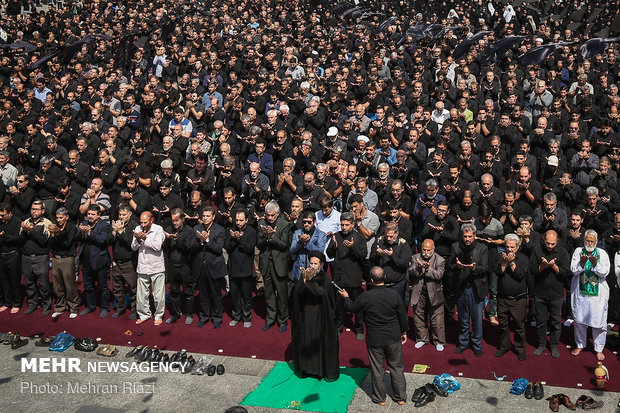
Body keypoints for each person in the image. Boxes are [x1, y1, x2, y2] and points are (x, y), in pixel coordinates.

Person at [340, 266, 408, 405]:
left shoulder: (365, 296)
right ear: (384, 278)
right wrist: (404, 331)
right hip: (393, 336)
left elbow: (352, 308)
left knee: (377, 369)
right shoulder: (394, 295)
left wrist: (346, 297)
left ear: (371, 280)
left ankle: (379, 398)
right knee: (397, 368)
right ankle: (400, 397)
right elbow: (403, 316)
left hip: (374, 338)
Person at [292, 250, 339, 381]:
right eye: (311, 263)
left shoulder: (326, 278)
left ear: (322, 264)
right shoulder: (304, 276)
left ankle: (320, 371)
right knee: (306, 340)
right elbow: (297, 293)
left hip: (320, 316)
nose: (313, 266)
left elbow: (322, 294)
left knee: (318, 342)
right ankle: (307, 369)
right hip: (306, 315)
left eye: (316, 263)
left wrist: (310, 281)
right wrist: (305, 280)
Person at [569, 230, 611, 361]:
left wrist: (595, 264)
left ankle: (598, 348)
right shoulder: (578, 251)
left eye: (592, 241)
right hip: (581, 294)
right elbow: (573, 270)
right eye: (587, 240)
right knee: (579, 320)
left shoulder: (602, 253)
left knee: (599, 322)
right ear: (584, 240)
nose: (590, 243)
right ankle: (580, 344)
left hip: (597, 296)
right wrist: (581, 264)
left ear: (597, 242)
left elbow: (605, 272)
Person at [326, 212, 367, 339]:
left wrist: (353, 247)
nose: (344, 227)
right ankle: (339, 326)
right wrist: (333, 247)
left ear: (353, 224)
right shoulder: (336, 236)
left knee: (357, 305)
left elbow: (363, 255)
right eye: (342, 224)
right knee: (338, 306)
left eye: (347, 225)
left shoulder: (359, 237)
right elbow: (330, 254)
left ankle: (359, 328)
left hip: (354, 278)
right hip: (339, 278)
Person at [449, 223, 488, 356]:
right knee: (463, 319)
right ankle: (463, 343)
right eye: (465, 236)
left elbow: (485, 268)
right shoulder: (455, 246)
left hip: (476, 289)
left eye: (470, 236)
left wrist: (474, 268)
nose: (467, 239)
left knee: (477, 320)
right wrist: (458, 267)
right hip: (461, 289)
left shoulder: (482, 248)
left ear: (475, 236)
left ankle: (477, 345)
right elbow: (450, 265)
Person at [529, 230, 570, 358]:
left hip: (556, 293)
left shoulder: (562, 252)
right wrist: (543, 266)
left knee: (556, 321)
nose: (550, 246)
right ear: (543, 240)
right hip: (540, 292)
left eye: (552, 244)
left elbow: (565, 272)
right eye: (548, 243)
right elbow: (532, 269)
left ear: (557, 242)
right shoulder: (537, 250)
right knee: (541, 321)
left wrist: (553, 267)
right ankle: (541, 344)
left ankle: (553, 345)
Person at [256, 201, 292, 332]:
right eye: (268, 215)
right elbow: (259, 244)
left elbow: (284, 245)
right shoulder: (261, 224)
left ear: (278, 214)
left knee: (282, 295)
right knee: (269, 294)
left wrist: (271, 237)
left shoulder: (285, 224)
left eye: (272, 215)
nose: (270, 218)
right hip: (266, 264)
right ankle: (270, 319)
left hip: (279, 265)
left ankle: (283, 320)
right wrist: (265, 237)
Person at [495, 234, 528, 361]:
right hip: (502, 298)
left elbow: (520, 275)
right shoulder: (500, 257)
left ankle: (520, 348)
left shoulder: (524, 258)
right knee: (503, 325)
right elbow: (498, 273)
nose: (509, 249)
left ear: (517, 247)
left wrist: (512, 262)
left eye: (512, 247)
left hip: (518, 299)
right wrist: (504, 262)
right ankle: (504, 346)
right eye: (507, 247)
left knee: (519, 326)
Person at [409, 239, 446, 351]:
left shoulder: (440, 260)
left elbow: (439, 275)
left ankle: (439, 341)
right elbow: (411, 272)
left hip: (434, 294)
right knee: (419, 317)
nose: (425, 252)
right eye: (424, 249)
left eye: (428, 250)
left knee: (437, 320)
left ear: (433, 249)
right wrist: (419, 268)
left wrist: (427, 269)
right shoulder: (415, 257)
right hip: (419, 293)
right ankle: (422, 339)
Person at [76, 204, 111, 317]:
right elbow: (76, 239)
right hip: (86, 262)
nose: (90, 216)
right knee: (88, 286)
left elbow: (102, 240)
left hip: (100, 262)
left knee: (103, 287)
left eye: (92, 214)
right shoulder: (84, 223)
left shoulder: (104, 225)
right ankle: (91, 306)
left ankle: (105, 307)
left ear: (99, 215)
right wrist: (81, 232)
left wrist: (90, 232)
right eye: (88, 214)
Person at [194, 206, 227, 328]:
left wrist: (207, 240)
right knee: (202, 294)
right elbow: (192, 247)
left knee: (215, 294)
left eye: (208, 216)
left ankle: (217, 318)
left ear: (213, 217)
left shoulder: (220, 230)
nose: (205, 218)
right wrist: (200, 241)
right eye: (203, 216)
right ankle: (204, 316)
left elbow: (218, 249)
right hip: (200, 266)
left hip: (214, 266)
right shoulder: (196, 228)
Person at [164, 208, 198, 325]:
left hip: (185, 266)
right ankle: (176, 313)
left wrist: (177, 239)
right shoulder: (168, 230)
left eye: (177, 220)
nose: (175, 223)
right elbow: (165, 249)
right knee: (174, 291)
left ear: (183, 219)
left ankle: (188, 314)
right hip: (172, 266)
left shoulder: (189, 231)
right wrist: (168, 240)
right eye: (173, 220)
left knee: (188, 292)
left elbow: (188, 248)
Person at [131, 211, 166, 325]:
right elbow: (134, 247)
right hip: (142, 265)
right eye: (141, 222)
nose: (143, 225)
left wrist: (145, 238)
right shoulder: (137, 228)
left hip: (156, 266)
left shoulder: (158, 229)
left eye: (145, 222)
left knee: (158, 295)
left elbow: (157, 246)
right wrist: (137, 239)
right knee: (141, 295)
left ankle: (159, 315)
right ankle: (144, 314)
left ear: (151, 220)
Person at [225, 209, 257, 328]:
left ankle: (247, 317)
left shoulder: (252, 232)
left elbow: (249, 248)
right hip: (233, 269)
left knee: (246, 296)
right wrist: (234, 238)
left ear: (246, 220)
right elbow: (227, 247)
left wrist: (240, 239)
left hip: (245, 269)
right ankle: (236, 316)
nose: (238, 222)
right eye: (237, 220)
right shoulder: (230, 230)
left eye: (241, 220)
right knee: (234, 295)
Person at [21, 200, 53, 315]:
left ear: (42, 211)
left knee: (44, 284)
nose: (34, 211)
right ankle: (32, 304)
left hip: (40, 257)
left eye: (36, 209)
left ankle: (46, 305)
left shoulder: (47, 223)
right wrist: (25, 232)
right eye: (32, 209)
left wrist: (31, 231)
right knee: (29, 284)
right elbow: (20, 241)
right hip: (26, 257)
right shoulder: (26, 221)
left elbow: (43, 241)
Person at [107, 204, 139, 319]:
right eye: (120, 214)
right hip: (116, 262)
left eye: (124, 215)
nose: (121, 217)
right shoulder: (115, 224)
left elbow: (131, 243)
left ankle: (134, 310)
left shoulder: (134, 226)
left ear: (130, 214)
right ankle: (120, 308)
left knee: (133, 288)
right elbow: (108, 242)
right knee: (117, 288)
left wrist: (121, 232)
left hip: (129, 263)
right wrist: (114, 232)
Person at [49, 207, 80, 318]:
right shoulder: (55, 226)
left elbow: (67, 244)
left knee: (69, 285)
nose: (58, 220)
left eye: (61, 217)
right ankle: (60, 306)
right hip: (56, 258)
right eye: (57, 218)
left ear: (66, 217)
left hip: (67, 258)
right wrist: (52, 235)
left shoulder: (71, 227)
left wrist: (57, 233)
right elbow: (51, 244)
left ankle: (73, 307)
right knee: (57, 285)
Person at [290, 211, 328, 282]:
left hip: (314, 272)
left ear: (314, 222)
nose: (306, 224)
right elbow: (292, 251)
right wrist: (300, 243)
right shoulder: (297, 233)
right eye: (304, 222)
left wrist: (307, 243)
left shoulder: (321, 235)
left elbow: (319, 253)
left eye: (309, 222)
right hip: (299, 271)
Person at [0, 203, 22, 314]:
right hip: (2, 254)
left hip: (13, 254)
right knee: (4, 280)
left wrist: (4, 236)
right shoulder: (0, 222)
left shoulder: (17, 222)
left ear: (10, 214)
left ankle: (17, 303)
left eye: (3, 215)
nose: (1, 217)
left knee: (14, 280)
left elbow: (18, 238)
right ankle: (7, 302)